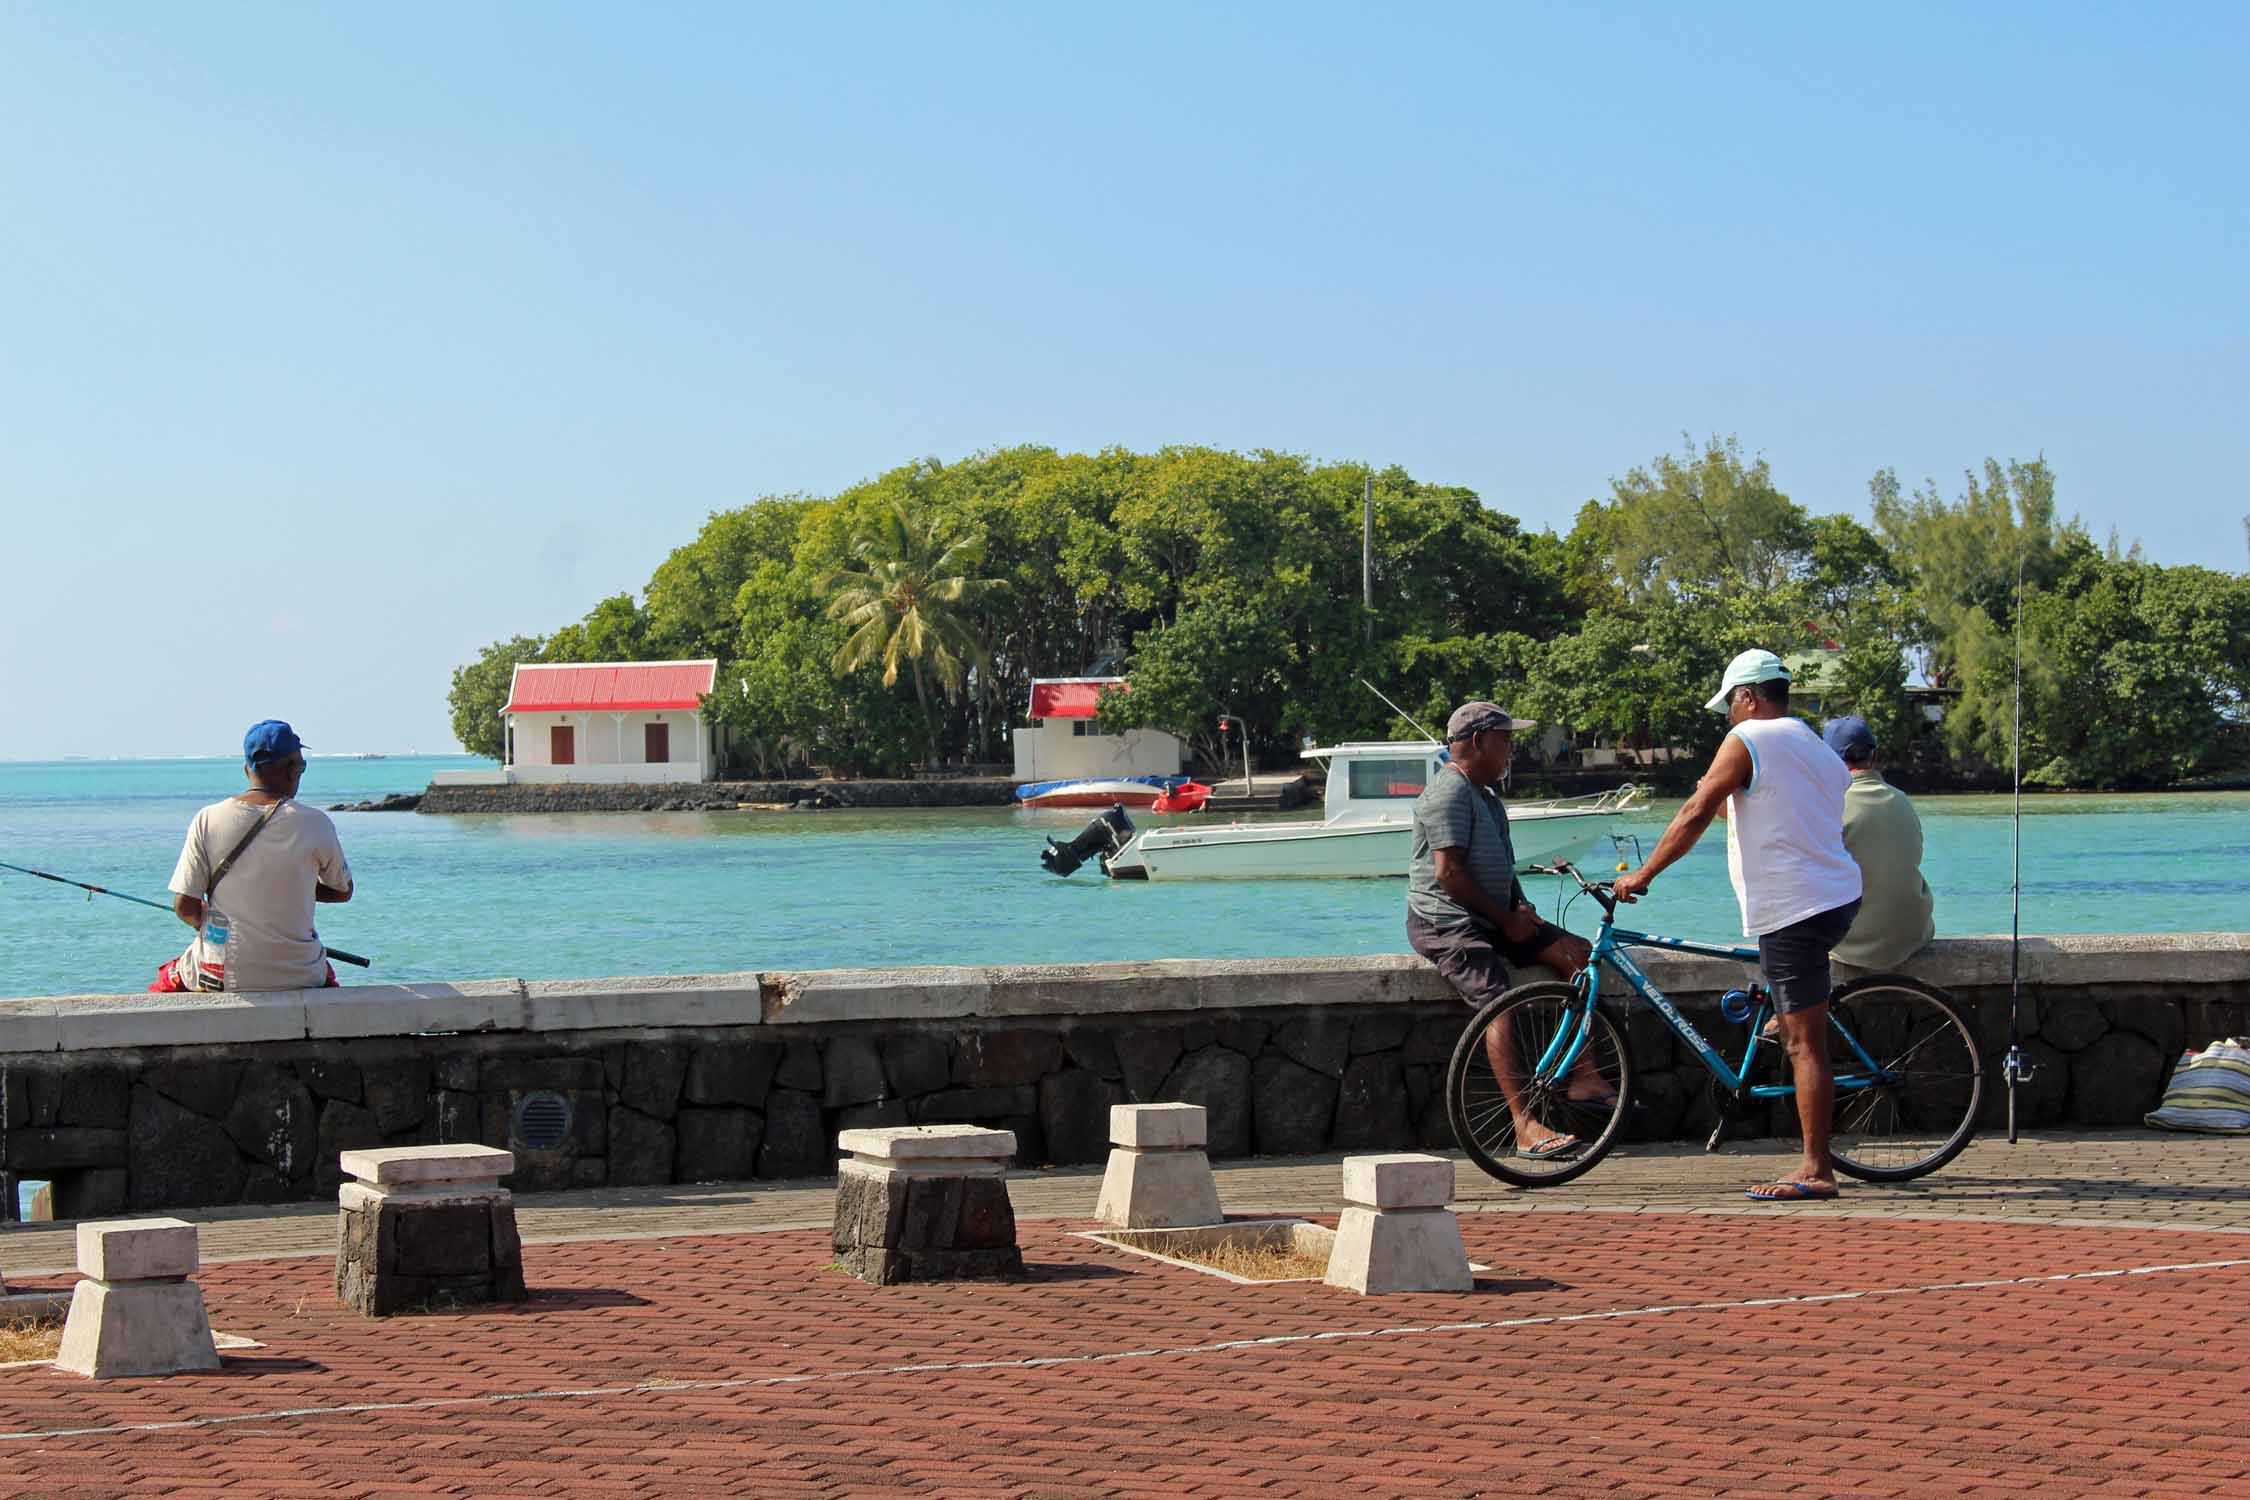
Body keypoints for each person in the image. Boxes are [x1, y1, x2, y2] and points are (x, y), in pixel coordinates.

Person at [1610, 650, 1862, 1201]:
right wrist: (1721, 792)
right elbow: (1762, 808)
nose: (1727, 714)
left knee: (1804, 1044)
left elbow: (1695, 812)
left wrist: (1644, 874)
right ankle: (1778, 1017)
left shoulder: (1749, 738)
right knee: (1794, 1020)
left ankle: (1817, 1170)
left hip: (1794, 908)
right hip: (1836, 895)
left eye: (1729, 704)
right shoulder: (1814, 745)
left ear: (1748, 696)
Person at [1406, 701, 1594, 1157]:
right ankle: (1524, 1125)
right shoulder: (1447, 793)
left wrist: (1519, 908)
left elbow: (1500, 868)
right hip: (1447, 922)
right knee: (1498, 1001)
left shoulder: (1487, 796)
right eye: (1506, 740)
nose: (1511, 750)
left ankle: (1586, 1077)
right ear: (1478, 742)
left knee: (1580, 955)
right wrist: (1506, 921)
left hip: (1492, 915)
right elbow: (1449, 874)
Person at [152, 720, 353, 993]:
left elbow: (185, 907)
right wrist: (294, 884)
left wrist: (216, 929)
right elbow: (343, 891)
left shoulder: (208, 819)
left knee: (163, 982)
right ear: (291, 771)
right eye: (301, 767)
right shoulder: (315, 823)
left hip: (221, 974)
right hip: (302, 973)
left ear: (248, 769)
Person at [1822, 716, 1936, 970]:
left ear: (1828, 761)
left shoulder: (1828, 805)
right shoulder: (1902, 800)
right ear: (1874, 755)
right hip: (1912, 934)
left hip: (1853, 944)